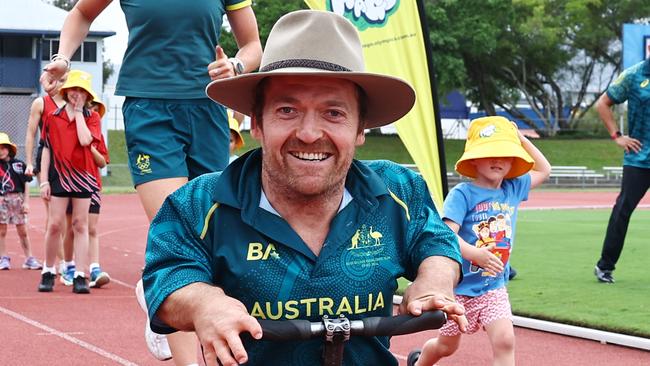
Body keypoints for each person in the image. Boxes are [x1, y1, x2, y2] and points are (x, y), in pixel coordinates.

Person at [142, 10, 467, 366]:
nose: (310, 133)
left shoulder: (400, 190)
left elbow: (437, 242)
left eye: (334, 113)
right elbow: (167, 277)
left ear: (361, 129)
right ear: (257, 123)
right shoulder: (198, 202)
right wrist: (204, 302)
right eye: (287, 110)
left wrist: (435, 278)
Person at [39, 0, 262, 363]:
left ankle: (156, 289)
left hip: (207, 108)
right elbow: (81, 13)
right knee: (178, 233)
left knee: (213, 239)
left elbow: (253, 46)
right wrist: (64, 56)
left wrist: (235, 64)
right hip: (149, 108)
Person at [409, 116, 551, 366]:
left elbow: (544, 170)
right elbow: (447, 234)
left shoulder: (513, 188)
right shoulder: (463, 194)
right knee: (446, 346)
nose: (497, 159)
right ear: (474, 159)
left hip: (492, 287)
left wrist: (519, 139)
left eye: (505, 153)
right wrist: (475, 254)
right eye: (490, 153)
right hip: (458, 289)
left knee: (505, 340)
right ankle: (419, 363)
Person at [37, 70, 103, 294]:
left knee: (80, 224)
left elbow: (85, 140)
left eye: (82, 91)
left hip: (83, 177)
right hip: (59, 176)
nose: (77, 94)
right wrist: (44, 180)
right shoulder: (52, 117)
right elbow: (46, 149)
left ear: (88, 95)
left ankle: (80, 275)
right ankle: (48, 270)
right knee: (55, 224)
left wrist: (78, 114)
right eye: (74, 89)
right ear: (66, 91)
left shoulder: (92, 117)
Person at [593, 44, 650, 284]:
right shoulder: (634, 75)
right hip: (639, 157)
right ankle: (605, 266)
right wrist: (618, 136)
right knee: (623, 209)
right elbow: (602, 103)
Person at [59, 95, 111, 289]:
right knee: (72, 227)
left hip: (92, 184)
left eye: (97, 109)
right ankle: (69, 266)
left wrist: (90, 147)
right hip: (71, 182)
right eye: (92, 107)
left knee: (91, 228)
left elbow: (102, 162)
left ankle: (95, 268)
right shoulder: (70, 127)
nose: (94, 111)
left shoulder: (97, 137)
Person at [24, 73, 68, 275]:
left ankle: (66, 259)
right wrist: (30, 163)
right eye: (57, 79)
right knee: (53, 216)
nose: (60, 83)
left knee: (71, 216)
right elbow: (31, 133)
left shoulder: (74, 102)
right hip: (48, 160)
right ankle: (61, 262)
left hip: (70, 162)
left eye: (64, 80)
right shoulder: (41, 103)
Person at [0, 133, 41, 270]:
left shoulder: (18, 164)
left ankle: (29, 258)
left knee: (23, 230)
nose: (1, 151)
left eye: (3, 148)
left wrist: (26, 202)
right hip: (1, 200)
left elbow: (26, 184)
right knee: (2, 230)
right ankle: (3, 258)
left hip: (17, 199)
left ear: (9, 149)